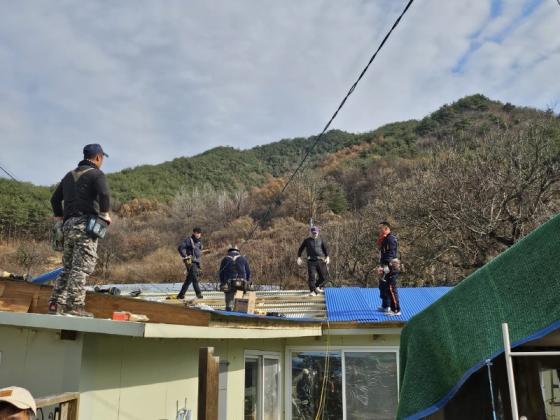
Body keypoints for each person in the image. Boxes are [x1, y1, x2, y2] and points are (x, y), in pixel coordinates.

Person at [48, 144, 111, 317]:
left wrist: (59, 218)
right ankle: (74, 306)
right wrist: (104, 215)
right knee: (81, 267)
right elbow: (104, 194)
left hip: (68, 226)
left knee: (67, 267)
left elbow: (54, 200)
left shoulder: (69, 175)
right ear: (98, 158)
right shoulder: (97, 174)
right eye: (102, 158)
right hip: (85, 226)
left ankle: (55, 304)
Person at [376, 221, 401, 315]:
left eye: (380, 229)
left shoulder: (391, 239)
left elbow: (389, 256)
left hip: (391, 266)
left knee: (391, 287)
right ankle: (385, 305)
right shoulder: (384, 239)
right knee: (383, 285)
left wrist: (384, 268)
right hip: (385, 265)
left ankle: (396, 310)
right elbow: (382, 254)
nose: (379, 231)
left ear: (386, 229)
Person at [297, 226, 330, 296]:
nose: (315, 234)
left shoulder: (321, 240)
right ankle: (313, 291)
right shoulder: (306, 241)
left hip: (321, 260)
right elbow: (300, 249)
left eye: (316, 233)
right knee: (312, 277)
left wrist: (327, 257)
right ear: (311, 233)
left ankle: (317, 286)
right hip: (311, 261)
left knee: (325, 277)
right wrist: (299, 257)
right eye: (313, 233)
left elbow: (325, 249)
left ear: (318, 232)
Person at [218, 245, 251, 311]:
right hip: (242, 282)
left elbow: (221, 272)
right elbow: (248, 272)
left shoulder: (225, 259)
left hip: (229, 282)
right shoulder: (243, 258)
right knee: (240, 300)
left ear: (229, 252)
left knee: (229, 300)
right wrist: (247, 281)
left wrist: (222, 282)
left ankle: (228, 311)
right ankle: (239, 312)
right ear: (238, 251)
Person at [177, 227, 204, 299]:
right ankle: (199, 294)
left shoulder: (199, 242)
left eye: (199, 233)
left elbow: (197, 252)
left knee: (189, 279)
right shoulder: (189, 240)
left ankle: (181, 295)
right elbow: (180, 248)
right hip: (190, 262)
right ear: (194, 233)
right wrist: (185, 256)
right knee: (194, 277)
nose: (198, 234)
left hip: (196, 262)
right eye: (196, 233)